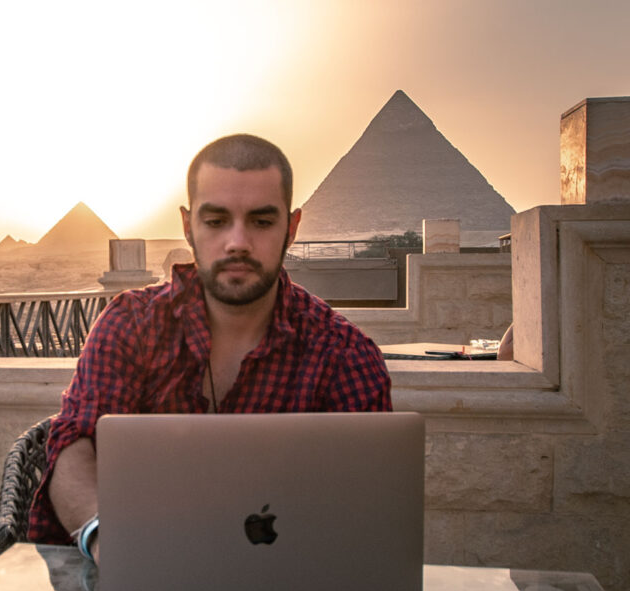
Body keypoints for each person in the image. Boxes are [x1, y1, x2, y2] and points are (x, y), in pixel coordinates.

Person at [26, 134, 392, 558]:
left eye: (261, 221)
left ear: (291, 228)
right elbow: (73, 440)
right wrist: (105, 540)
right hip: (140, 588)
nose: (237, 242)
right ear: (188, 225)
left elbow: (367, 507)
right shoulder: (130, 326)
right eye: (216, 221)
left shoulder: (345, 357)